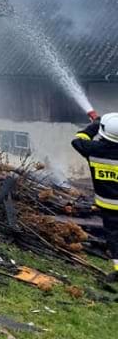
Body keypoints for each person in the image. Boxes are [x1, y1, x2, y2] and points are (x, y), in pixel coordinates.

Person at [72, 113, 118, 282]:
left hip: (108, 207)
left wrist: (95, 125)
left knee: (114, 239)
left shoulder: (93, 150)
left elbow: (78, 139)